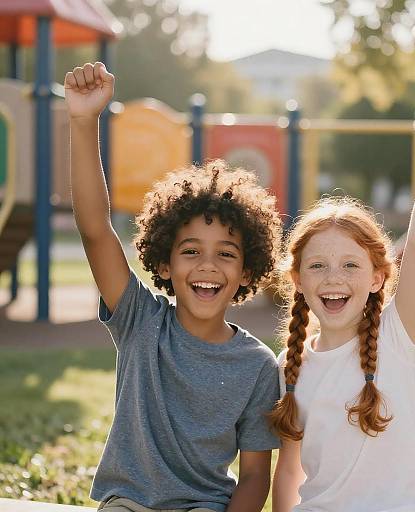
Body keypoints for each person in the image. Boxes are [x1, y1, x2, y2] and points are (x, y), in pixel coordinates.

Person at [64, 62, 283, 512]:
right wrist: (84, 121)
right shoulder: (139, 320)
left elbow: (255, 475)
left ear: (246, 271)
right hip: (128, 503)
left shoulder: (258, 366)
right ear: (163, 261)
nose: (208, 265)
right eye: (190, 251)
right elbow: (94, 228)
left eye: (226, 253)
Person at [269, 85, 415, 512]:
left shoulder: (397, 334)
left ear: (379, 277)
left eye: (350, 265)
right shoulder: (291, 366)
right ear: (298, 280)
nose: (333, 278)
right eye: (317, 265)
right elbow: (289, 472)